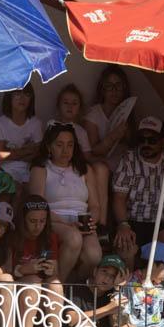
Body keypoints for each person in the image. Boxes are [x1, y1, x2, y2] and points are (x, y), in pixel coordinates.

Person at [112, 116, 164, 265]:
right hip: (134, 223)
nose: (146, 144)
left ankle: (163, 280)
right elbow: (119, 197)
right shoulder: (129, 159)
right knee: (125, 244)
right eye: (141, 140)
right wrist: (123, 225)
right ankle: (130, 281)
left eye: (152, 140)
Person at [29, 123, 102, 281]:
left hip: (81, 221)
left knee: (94, 255)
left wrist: (90, 222)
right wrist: (67, 223)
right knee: (74, 238)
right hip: (53, 219)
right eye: (59, 145)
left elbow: (95, 205)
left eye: (70, 145)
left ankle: (72, 284)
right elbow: (38, 206)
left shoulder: (85, 169)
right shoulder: (40, 169)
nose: (65, 150)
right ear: (49, 147)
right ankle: (56, 285)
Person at [47, 83, 110, 228]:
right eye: (66, 103)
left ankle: (101, 225)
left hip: (77, 164)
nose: (70, 106)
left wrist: (102, 160)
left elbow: (87, 156)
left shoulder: (81, 131)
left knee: (102, 169)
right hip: (58, 165)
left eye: (74, 103)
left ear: (80, 108)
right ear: (58, 106)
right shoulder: (52, 125)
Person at [11, 196, 64, 327]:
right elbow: (4, 271)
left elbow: (55, 271)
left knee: (56, 284)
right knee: (33, 281)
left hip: (41, 288)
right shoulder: (13, 235)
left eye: (42, 221)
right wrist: (24, 269)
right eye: (33, 221)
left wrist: (50, 269)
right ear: (23, 220)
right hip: (16, 286)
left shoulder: (49, 237)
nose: (38, 226)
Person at [82, 64, 134, 173]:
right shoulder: (93, 114)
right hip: (102, 165)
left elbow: (131, 143)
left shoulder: (127, 110)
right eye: (109, 86)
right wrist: (113, 136)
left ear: (124, 88)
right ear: (102, 89)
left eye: (118, 85)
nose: (114, 90)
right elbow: (93, 151)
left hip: (125, 164)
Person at [0, 84, 43, 188]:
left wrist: (11, 152)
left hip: (29, 169)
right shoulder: (0, 123)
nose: (22, 98)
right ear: (9, 97)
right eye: (17, 94)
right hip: (6, 169)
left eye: (27, 94)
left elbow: (38, 153)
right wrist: (25, 151)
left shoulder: (36, 123)